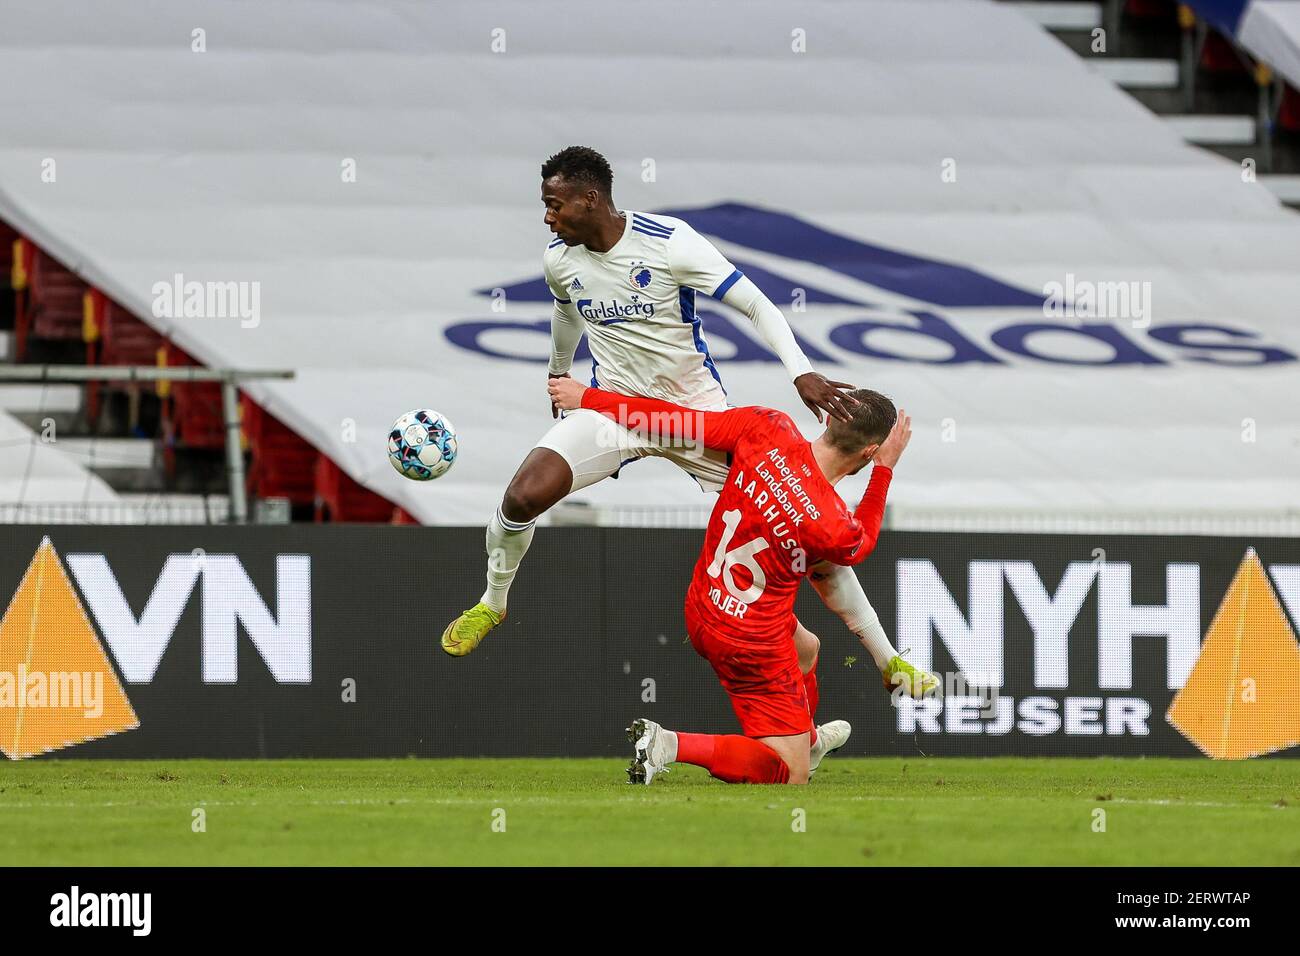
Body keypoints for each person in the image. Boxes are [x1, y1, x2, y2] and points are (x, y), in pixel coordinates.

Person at [441, 146, 922, 701]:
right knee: (522, 497)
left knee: (801, 527)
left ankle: (889, 660)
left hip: (698, 417)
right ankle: (493, 603)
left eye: (554, 205)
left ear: (590, 199)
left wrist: (802, 373)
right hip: (615, 410)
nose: (547, 216)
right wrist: (558, 370)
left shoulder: (669, 243)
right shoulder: (561, 260)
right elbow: (567, 308)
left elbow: (758, 304)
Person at [548, 374, 925, 785]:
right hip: (750, 640)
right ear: (870, 451)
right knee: (788, 773)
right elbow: (862, 543)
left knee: (807, 649)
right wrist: (885, 469)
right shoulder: (831, 522)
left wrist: (587, 396)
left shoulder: (767, 427)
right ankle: (668, 744)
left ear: (827, 422)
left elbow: (673, 420)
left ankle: (810, 741)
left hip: (703, 605)